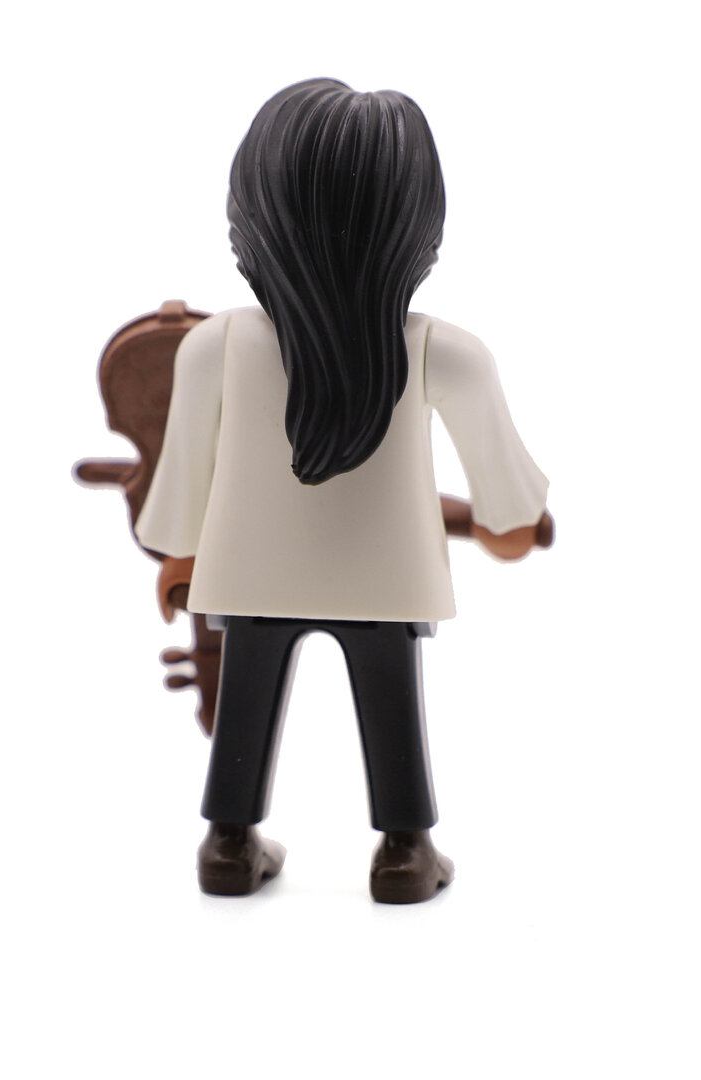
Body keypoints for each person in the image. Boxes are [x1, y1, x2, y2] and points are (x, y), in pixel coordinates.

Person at [134, 79, 552, 903]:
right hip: (387, 582)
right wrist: (508, 521)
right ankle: (405, 852)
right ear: (419, 224)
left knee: (246, 701)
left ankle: (228, 845)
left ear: (250, 213)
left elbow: (181, 483)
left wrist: (180, 550)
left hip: (248, 576)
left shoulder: (215, 345)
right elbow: (506, 498)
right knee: (393, 707)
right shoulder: (445, 351)